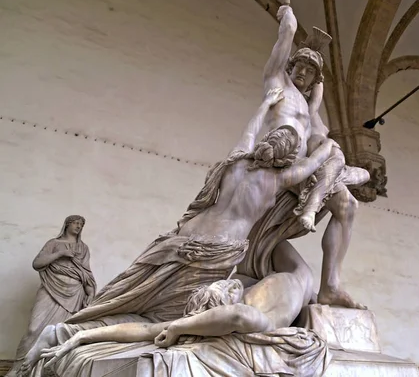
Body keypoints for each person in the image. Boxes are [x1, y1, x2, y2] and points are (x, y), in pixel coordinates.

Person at [17, 88, 337, 375]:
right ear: (286, 157)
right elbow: (318, 161)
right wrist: (327, 142)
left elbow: (249, 132)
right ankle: (71, 332)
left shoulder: (237, 163)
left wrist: (268, 103)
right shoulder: (279, 179)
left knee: (128, 295)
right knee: (151, 312)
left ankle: (72, 331)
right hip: (214, 253)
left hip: (178, 241)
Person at [223, 0, 370, 310]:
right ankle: (312, 204)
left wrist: (334, 154)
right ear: (289, 67)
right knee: (331, 161)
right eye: (298, 66)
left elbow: (320, 133)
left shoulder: (308, 106)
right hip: (278, 164)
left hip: (304, 170)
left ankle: (331, 285)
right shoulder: (276, 82)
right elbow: (285, 38)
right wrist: (288, 22)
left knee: (348, 204)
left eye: (310, 70)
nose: (302, 72)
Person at [39, 238, 317, 371]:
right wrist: (82, 335)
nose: (230, 283)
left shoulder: (243, 299)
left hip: (279, 281)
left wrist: (178, 326)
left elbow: (232, 313)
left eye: (226, 285)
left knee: (261, 226)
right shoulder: (260, 318)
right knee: (266, 227)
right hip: (301, 280)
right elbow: (141, 329)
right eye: (226, 289)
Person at [6, 215, 96, 377]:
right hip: (51, 289)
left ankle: (49, 371)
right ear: (67, 225)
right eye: (75, 223)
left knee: (61, 333)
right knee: (34, 329)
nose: (78, 227)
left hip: (75, 294)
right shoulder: (53, 244)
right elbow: (37, 264)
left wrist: (90, 291)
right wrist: (60, 253)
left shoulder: (83, 248)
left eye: (81, 225)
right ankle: (18, 368)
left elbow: (86, 273)